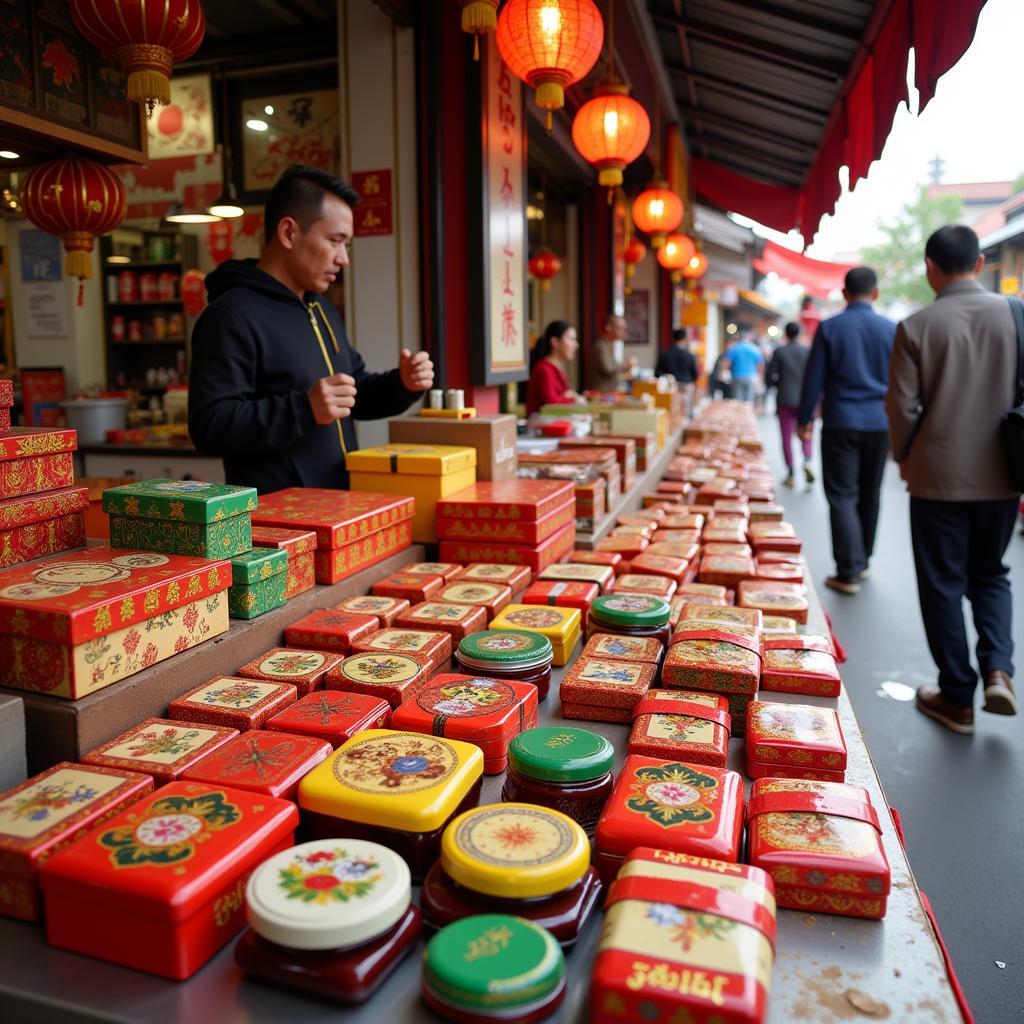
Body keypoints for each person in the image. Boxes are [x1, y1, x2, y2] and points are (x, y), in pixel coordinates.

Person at [189, 165, 433, 492]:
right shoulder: (231, 316)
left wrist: (401, 385)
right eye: (335, 241)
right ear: (289, 232)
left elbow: (352, 393)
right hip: (278, 524)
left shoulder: (320, 306)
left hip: (338, 505)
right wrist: (303, 410)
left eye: (346, 245)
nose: (343, 258)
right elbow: (210, 426)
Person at [886, 225, 1020, 734]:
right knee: (990, 573)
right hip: (1004, 474)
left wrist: (902, 455)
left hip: (937, 475)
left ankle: (957, 696)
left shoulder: (916, 326)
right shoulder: (1017, 316)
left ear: (930, 267)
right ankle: (998, 669)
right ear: (980, 263)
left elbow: (901, 407)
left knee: (942, 582)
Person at [797, 267, 895, 595]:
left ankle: (848, 570)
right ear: (876, 293)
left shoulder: (830, 328)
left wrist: (804, 419)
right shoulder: (891, 329)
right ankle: (863, 559)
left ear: (844, 293)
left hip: (840, 422)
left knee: (841, 495)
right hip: (880, 423)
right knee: (870, 492)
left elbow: (815, 379)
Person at [765, 321, 813, 487]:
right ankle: (807, 459)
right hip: (805, 400)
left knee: (786, 435)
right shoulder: (807, 351)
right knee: (806, 430)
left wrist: (778, 385)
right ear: (799, 333)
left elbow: (770, 376)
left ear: (785, 334)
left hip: (785, 398)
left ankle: (791, 472)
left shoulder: (780, 351)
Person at [526, 320, 580, 414]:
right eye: (571, 339)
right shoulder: (544, 369)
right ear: (555, 342)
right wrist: (573, 399)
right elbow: (552, 404)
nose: (576, 345)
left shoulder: (556, 367)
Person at [590, 313, 636, 392]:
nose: (623, 332)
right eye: (620, 328)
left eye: (624, 329)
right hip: (601, 395)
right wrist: (625, 364)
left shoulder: (609, 345)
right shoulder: (602, 346)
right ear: (608, 328)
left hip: (608, 393)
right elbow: (608, 369)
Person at [724, 328, 763, 403]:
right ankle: (747, 413)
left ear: (739, 338)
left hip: (736, 377)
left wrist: (724, 372)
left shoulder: (733, 348)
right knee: (749, 401)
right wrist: (760, 376)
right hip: (750, 377)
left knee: (737, 401)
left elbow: (727, 363)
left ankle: (739, 414)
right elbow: (760, 364)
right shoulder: (754, 348)